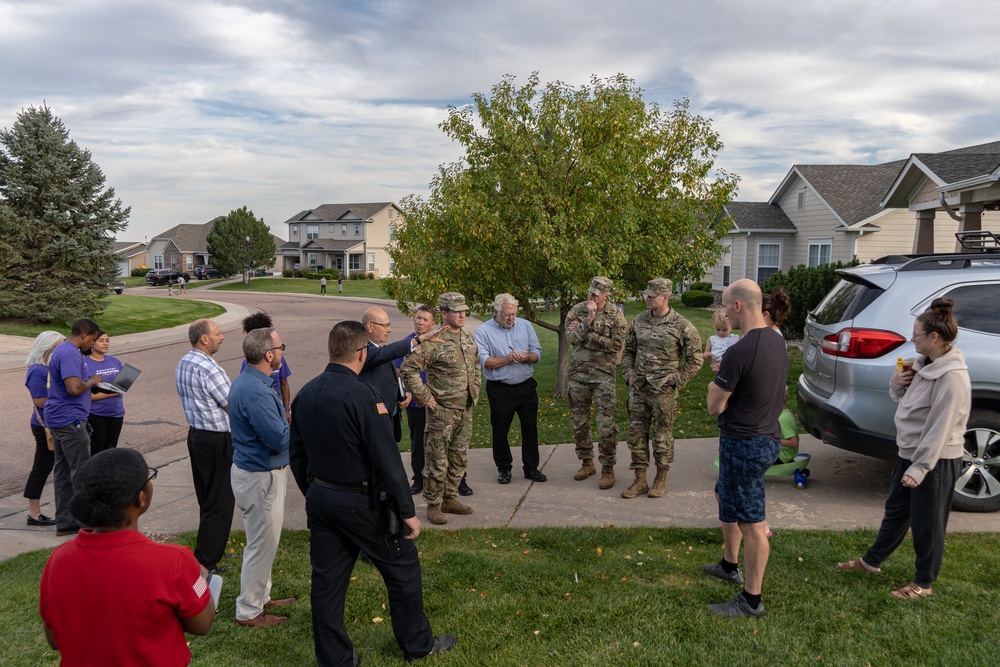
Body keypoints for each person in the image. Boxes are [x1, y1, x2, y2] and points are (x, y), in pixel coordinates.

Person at [289, 321, 456, 665]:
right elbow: (388, 462)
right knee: (403, 569)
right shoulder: (365, 397)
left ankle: (334, 659)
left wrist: (316, 492)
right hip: (360, 502)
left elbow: (297, 456)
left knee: (327, 585)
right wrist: (408, 512)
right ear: (363, 353)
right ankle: (417, 644)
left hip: (322, 498)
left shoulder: (306, 393)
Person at [837, 298, 970, 601]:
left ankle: (924, 582)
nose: (912, 338)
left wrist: (921, 468)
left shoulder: (952, 378)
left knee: (928, 523)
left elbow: (940, 427)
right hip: (909, 453)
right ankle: (871, 562)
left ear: (934, 338)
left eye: (917, 334)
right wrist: (897, 383)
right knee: (896, 513)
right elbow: (905, 403)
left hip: (934, 461)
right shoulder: (923, 365)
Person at [39, 448, 215, 666]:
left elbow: (54, 639)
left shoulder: (59, 560)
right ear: (141, 498)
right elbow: (202, 625)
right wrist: (201, 582)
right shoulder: (174, 561)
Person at [703, 279, 788, 618]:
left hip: (746, 442)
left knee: (753, 523)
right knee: (724, 494)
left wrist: (717, 381)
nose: (724, 312)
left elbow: (714, 405)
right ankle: (729, 564)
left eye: (725, 306)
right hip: (763, 435)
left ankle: (751, 600)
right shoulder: (776, 341)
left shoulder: (740, 350)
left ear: (738, 306)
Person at [229, 327, 295, 627]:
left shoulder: (254, 382)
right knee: (259, 544)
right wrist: (303, 425)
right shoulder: (255, 390)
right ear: (269, 354)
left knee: (265, 541)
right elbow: (279, 440)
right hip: (260, 476)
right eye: (280, 347)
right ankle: (249, 610)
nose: (282, 351)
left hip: (260, 473)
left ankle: (261, 596)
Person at [400, 292, 481, 525]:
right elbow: (408, 369)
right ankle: (433, 505)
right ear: (444, 314)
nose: (462, 314)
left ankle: (450, 499)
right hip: (442, 412)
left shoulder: (467, 338)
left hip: (464, 410)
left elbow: (475, 365)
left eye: (464, 310)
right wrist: (424, 396)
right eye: (457, 311)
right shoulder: (435, 341)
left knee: (459, 458)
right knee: (437, 460)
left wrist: (474, 390)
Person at [620, 278, 703, 498]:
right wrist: (628, 374)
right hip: (638, 388)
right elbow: (627, 352)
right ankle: (639, 480)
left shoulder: (681, 325)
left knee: (662, 436)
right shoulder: (638, 321)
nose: (646, 298)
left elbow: (696, 359)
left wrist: (676, 380)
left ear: (665, 297)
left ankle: (660, 478)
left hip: (663, 393)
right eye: (646, 294)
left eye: (651, 295)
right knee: (636, 434)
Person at [175, 319, 235, 574]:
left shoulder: (184, 362)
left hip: (197, 436)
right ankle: (207, 560)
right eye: (218, 334)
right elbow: (232, 405)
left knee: (207, 497)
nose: (222, 337)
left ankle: (205, 552)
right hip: (216, 439)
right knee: (220, 501)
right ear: (204, 339)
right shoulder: (209, 368)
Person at [474, 293, 546, 485]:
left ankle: (531, 468)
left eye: (514, 314)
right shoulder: (483, 331)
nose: (511, 318)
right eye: (507, 315)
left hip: (526, 386)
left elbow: (537, 353)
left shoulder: (525, 325)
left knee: (530, 429)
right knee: (500, 430)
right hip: (500, 388)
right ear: (495, 312)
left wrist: (526, 358)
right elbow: (484, 362)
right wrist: (507, 359)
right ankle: (504, 468)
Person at [566, 277, 627, 488]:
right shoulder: (578, 309)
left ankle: (608, 468)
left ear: (607, 295)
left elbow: (616, 345)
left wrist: (588, 333)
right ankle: (587, 463)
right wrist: (589, 318)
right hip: (578, 377)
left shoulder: (616, 314)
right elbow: (572, 339)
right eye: (590, 292)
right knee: (579, 423)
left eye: (596, 294)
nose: (591, 296)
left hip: (603, 378)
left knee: (605, 425)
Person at [47, 318, 104, 536]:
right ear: (84, 335)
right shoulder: (70, 353)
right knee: (81, 471)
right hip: (69, 419)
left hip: (59, 418)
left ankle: (65, 521)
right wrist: (92, 380)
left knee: (63, 471)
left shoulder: (62, 350)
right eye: (92, 338)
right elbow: (73, 388)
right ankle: (85, 522)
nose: (92, 343)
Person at [23, 331, 65, 527]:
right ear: (49, 348)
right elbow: (40, 399)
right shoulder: (38, 370)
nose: (64, 348)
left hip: (56, 421)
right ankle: (34, 513)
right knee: (42, 466)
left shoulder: (50, 367)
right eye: (60, 345)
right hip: (45, 425)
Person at [393, 305, 435, 494]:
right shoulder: (406, 344)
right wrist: (406, 394)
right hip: (417, 403)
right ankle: (419, 479)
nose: (420, 322)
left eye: (425, 319)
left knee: (446, 442)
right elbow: (398, 374)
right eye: (418, 318)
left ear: (432, 323)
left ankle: (458, 480)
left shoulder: (439, 342)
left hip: (440, 402)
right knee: (418, 441)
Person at [239, 312, 293, 423]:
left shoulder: (279, 360)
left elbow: (284, 384)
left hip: (276, 396)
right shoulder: (247, 364)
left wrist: (286, 409)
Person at [86, 330, 126, 455]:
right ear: (92, 343)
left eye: (107, 341)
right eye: (101, 341)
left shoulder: (115, 362)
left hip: (116, 413)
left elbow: (122, 385)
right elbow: (86, 396)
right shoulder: (84, 363)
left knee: (111, 450)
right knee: (97, 451)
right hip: (96, 414)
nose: (105, 344)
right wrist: (113, 393)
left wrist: (122, 387)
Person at [704, 308, 740, 374]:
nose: (721, 332)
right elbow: (706, 353)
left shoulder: (735, 338)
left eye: (725, 329)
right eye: (718, 329)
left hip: (732, 367)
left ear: (731, 326)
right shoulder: (712, 339)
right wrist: (707, 355)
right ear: (713, 325)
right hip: (717, 367)